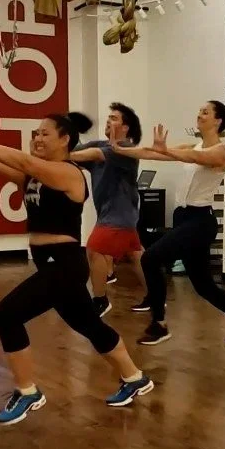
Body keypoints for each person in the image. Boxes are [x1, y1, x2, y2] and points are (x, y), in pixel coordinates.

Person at [0, 111, 152, 425]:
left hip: (65, 264)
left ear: (65, 140)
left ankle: (27, 390)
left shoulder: (69, 173)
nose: (36, 138)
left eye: (44, 134)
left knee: (6, 315)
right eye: (34, 134)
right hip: (52, 265)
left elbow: (23, 162)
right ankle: (134, 377)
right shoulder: (34, 176)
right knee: (89, 325)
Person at [113, 101, 225, 346]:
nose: (199, 114)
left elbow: (194, 156)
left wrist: (166, 150)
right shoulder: (194, 145)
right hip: (183, 218)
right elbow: (153, 153)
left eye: (205, 112)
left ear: (218, 121)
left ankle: (159, 324)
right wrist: (120, 150)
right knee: (204, 286)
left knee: (150, 258)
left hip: (200, 221)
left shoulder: (221, 151)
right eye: (199, 111)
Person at [70, 102, 148, 317]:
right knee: (135, 254)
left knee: (94, 249)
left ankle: (100, 300)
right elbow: (75, 151)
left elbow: (89, 154)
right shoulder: (101, 145)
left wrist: (63, 154)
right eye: (108, 117)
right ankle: (155, 295)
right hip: (111, 213)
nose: (108, 121)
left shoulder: (128, 149)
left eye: (114, 118)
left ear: (126, 128)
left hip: (120, 215)